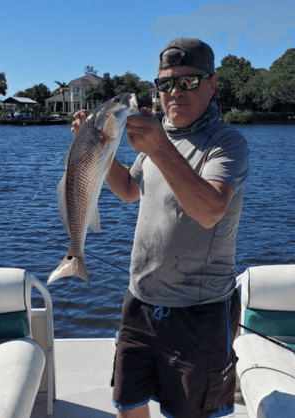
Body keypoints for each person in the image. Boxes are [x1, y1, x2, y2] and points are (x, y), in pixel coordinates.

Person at [72, 38, 249, 418]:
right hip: (139, 301)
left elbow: (210, 210)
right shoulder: (155, 137)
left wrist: (158, 147)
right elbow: (129, 190)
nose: (174, 92)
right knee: (128, 404)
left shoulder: (226, 144)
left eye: (188, 81)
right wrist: (95, 148)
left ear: (212, 83)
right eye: (166, 83)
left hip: (199, 312)